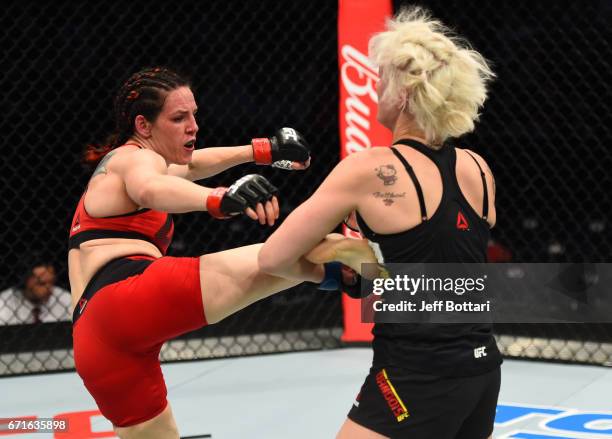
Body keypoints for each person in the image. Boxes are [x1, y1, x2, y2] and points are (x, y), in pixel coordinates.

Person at [68, 66, 377, 439]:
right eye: (179, 118)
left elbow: (195, 165)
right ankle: (424, 286)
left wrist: (262, 150)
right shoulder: (133, 159)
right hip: (125, 295)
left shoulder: (131, 165)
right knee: (303, 249)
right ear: (143, 125)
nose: (193, 126)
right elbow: (151, 188)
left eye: (194, 114)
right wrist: (218, 199)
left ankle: (342, 277)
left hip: (97, 344)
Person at [259, 6, 501, 439]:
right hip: (482, 369)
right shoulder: (478, 169)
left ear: (405, 94)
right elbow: (439, 257)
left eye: (383, 79)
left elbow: (273, 257)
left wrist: (336, 275)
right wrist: (371, 265)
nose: (375, 88)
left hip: (415, 374)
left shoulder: (368, 168)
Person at [0, 260, 71, 325]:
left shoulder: (65, 298)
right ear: (24, 281)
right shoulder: (3, 303)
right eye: (41, 283)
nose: (49, 288)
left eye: (51, 282)